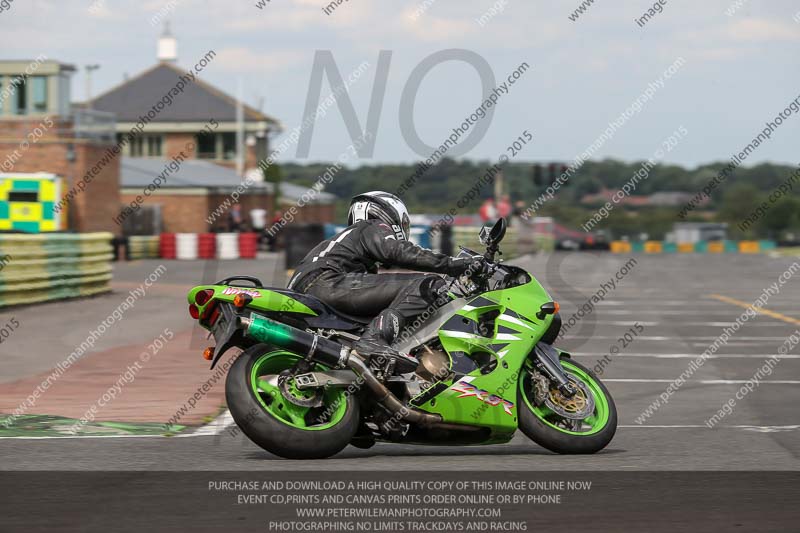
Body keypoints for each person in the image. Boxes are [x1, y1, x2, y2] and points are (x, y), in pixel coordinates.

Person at [287, 191, 484, 373]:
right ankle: (374, 339)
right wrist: (453, 264)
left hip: (310, 291)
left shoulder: (349, 246)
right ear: (388, 212)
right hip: (327, 282)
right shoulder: (371, 226)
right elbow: (398, 252)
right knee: (428, 284)